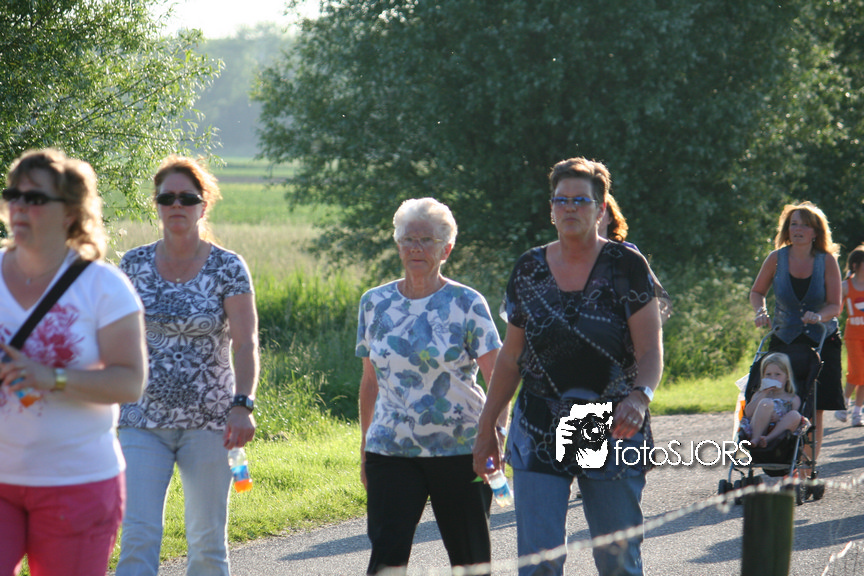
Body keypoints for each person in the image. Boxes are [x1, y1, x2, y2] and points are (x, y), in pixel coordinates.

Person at [473, 157, 664, 576]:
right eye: (562, 200)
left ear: (601, 208)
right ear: (551, 209)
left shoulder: (626, 266)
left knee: (617, 561)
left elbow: (650, 351)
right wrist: (488, 427)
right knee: (538, 563)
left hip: (611, 423)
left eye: (581, 200)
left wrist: (640, 397)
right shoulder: (529, 268)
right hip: (539, 422)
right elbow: (511, 357)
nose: (571, 208)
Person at [0, 149, 147, 576]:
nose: (19, 207)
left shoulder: (104, 287)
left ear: (70, 212)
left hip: (76, 483)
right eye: (13, 195)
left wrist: (53, 377)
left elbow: (130, 382)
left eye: (35, 198)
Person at [115, 155, 259, 576]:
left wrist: (243, 404)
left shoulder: (228, 267)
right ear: (157, 205)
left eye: (187, 198)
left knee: (207, 542)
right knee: (138, 536)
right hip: (142, 420)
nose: (176, 205)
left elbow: (246, 343)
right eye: (167, 198)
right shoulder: (133, 265)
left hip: (212, 423)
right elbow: (115, 341)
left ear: (203, 205)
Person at [356, 197, 504, 575]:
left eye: (427, 240)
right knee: (386, 558)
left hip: (462, 450)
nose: (416, 248)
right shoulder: (374, 303)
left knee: (470, 560)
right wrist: (365, 448)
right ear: (398, 245)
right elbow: (370, 382)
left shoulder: (467, 303)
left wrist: (495, 435)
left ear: (446, 249)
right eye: (408, 239)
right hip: (390, 449)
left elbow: (498, 376)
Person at [750, 201, 845, 467]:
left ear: (816, 232)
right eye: (793, 224)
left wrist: (819, 316)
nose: (798, 229)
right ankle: (777, 454)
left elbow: (835, 305)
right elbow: (757, 292)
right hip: (785, 340)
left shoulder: (827, 261)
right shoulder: (776, 258)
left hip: (821, 340)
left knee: (815, 405)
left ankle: (806, 467)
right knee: (777, 396)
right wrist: (760, 311)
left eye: (805, 225)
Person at [739, 353, 809, 448]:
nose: (772, 378)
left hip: (779, 433)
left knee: (795, 415)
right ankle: (756, 439)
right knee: (766, 403)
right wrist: (763, 393)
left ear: (787, 377)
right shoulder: (760, 394)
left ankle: (767, 439)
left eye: (777, 374)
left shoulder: (792, 398)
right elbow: (748, 413)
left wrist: (779, 418)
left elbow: (793, 422)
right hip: (758, 428)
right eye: (768, 374)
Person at [836, 245, 864, 426]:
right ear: (855, 265)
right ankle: (843, 403)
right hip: (853, 335)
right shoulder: (845, 286)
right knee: (858, 372)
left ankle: (857, 412)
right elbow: (836, 310)